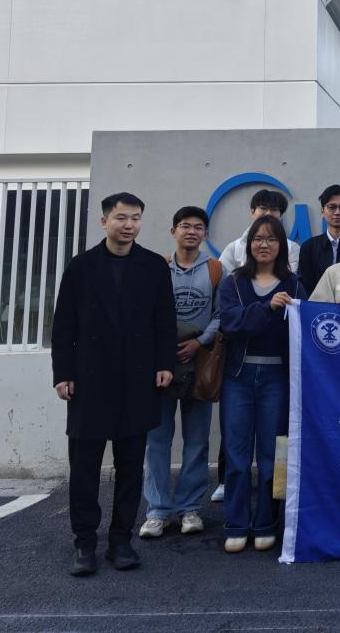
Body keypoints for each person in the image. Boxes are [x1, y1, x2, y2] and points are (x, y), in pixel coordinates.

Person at [51, 193, 174, 576]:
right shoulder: (81, 266)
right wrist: (63, 373)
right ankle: (85, 543)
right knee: (85, 469)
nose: (129, 225)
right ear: (104, 222)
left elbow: (164, 320)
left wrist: (164, 364)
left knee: (131, 469)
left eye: (135, 218)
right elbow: (63, 324)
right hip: (89, 381)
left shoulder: (153, 266)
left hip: (137, 381)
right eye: (121, 217)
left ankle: (121, 541)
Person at [216, 214, 304, 553]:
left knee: (272, 456)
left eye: (271, 239)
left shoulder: (293, 284)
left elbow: (308, 325)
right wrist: (267, 307)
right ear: (248, 244)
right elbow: (231, 325)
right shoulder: (233, 282)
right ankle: (236, 524)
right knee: (237, 456)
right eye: (258, 238)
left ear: (282, 245)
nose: (264, 244)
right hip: (238, 378)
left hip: (277, 379)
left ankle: (267, 523)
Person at [141, 207, 222, 541]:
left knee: (197, 440)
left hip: (200, 362)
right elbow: (146, 313)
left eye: (198, 227)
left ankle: (190, 508)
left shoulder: (216, 269)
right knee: (157, 441)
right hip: (161, 363)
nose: (191, 232)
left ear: (205, 234)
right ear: (173, 231)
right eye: (185, 226)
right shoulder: (157, 268)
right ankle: (158, 511)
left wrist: (199, 342)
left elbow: (222, 313)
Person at [219, 189, 300, 275]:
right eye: (263, 208)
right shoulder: (234, 248)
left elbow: (293, 279)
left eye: (274, 209)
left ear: (281, 215)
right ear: (252, 211)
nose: (268, 213)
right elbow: (223, 279)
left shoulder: (292, 248)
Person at [297, 185, 340, 295]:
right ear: (322, 211)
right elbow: (305, 287)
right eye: (332, 207)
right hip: (317, 304)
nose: (337, 212)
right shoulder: (309, 247)